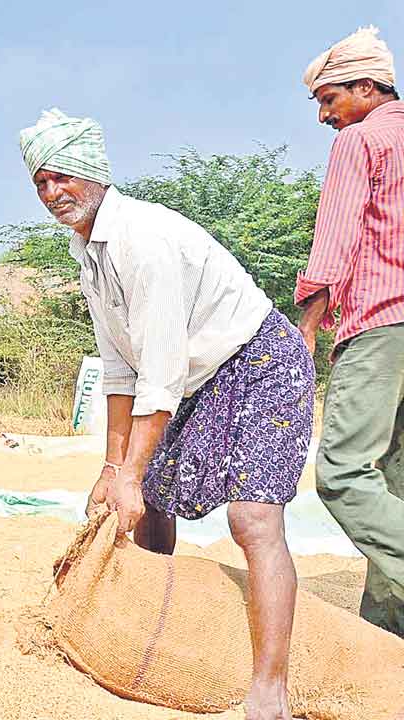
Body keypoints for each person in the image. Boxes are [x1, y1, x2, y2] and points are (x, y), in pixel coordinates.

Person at [20, 109, 314, 720]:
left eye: (61, 178)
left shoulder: (142, 241)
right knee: (146, 498)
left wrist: (129, 472)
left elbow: (161, 371)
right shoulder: (89, 252)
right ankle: (156, 630)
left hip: (259, 362)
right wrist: (111, 466)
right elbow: (120, 369)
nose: (52, 194)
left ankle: (269, 686)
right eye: (40, 183)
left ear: (93, 174)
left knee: (254, 520)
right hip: (194, 377)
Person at [297, 26, 404, 638]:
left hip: (381, 324)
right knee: (391, 478)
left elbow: (335, 237)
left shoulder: (361, 141)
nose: (323, 115)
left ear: (368, 88)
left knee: (342, 472)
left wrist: (307, 325)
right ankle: (386, 633)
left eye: (329, 98)